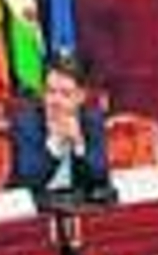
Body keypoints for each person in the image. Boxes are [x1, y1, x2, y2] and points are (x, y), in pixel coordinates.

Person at [9, 55, 109, 194]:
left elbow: (101, 176)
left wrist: (79, 144)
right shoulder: (27, 123)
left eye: (65, 94)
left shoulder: (92, 121)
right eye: (51, 92)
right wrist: (56, 143)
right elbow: (28, 180)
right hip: (40, 206)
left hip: (80, 204)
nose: (56, 101)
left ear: (80, 97)